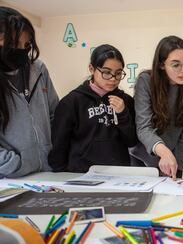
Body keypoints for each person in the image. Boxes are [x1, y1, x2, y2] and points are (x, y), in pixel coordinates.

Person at [48, 44, 136, 172]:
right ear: (92, 69)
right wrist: (60, 175)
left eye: (118, 73)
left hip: (119, 174)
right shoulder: (72, 102)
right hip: (81, 174)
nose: (113, 79)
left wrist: (122, 114)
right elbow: (59, 145)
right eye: (106, 73)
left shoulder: (126, 101)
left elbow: (132, 141)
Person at [130, 36, 183, 179]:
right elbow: (144, 128)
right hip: (143, 159)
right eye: (176, 65)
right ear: (162, 65)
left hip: (173, 163)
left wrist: (175, 164)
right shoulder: (146, 81)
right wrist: (164, 153)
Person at [0, 7, 59, 178]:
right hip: (9, 181)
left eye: (26, 45)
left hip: (48, 174)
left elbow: (55, 114)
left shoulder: (38, 69)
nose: (21, 51)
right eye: (13, 44)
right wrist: (16, 164)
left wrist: (56, 154)